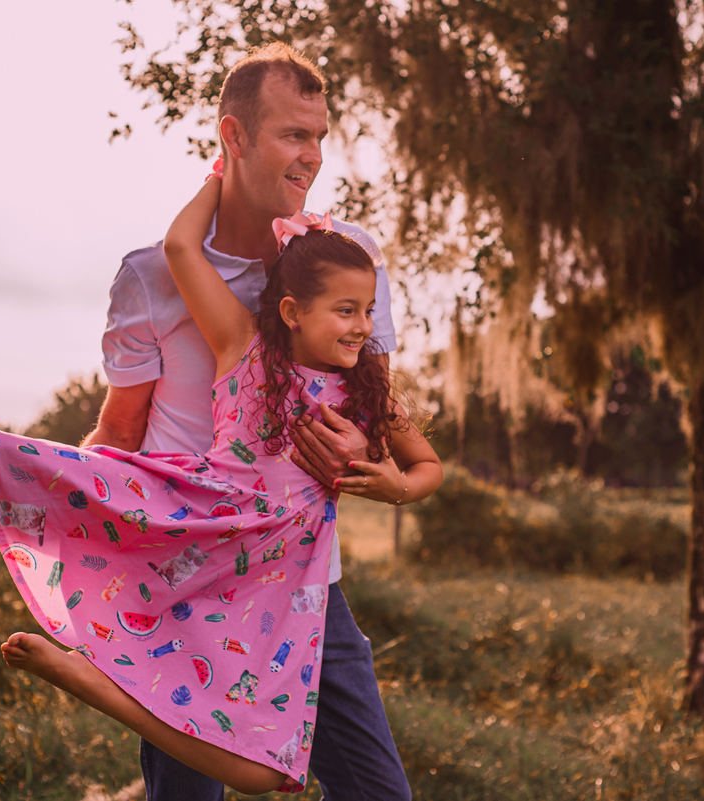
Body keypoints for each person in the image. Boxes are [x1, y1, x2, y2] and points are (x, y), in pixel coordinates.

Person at [0, 174, 441, 792]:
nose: (361, 326)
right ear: (292, 311)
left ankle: (87, 679)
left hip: (276, 582)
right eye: (344, 310)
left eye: (366, 308)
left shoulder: (367, 389)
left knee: (264, 772)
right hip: (191, 514)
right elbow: (180, 249)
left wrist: (387, 482)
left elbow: (426, 466)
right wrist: (220, 176)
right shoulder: (244, 346)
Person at [91, 43, 418, 799]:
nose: (313, 156)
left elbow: (368, 405)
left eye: (320, 136)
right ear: (232, 137)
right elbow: (119, 432)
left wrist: (365, 453)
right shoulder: (150, 276)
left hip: (306, 586)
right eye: (293, 135)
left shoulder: (344, 262)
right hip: (187, 584)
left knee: (379, 793)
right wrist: (54, 506)